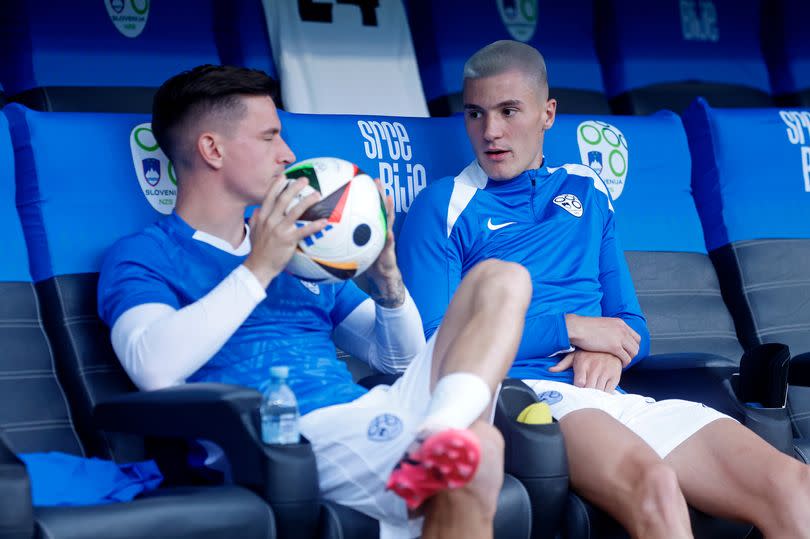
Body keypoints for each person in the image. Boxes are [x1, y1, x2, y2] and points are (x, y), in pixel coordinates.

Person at [97, 64, 532, 539]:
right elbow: (152, 367)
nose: (287, 154)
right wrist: (258, 266)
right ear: (212, 149)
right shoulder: (146, 253)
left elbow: (400, 361)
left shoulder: (308, 250)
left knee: (502, 278)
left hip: (368, 408)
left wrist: (387, 282)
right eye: (269, 137)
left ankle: (440, 433)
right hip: (287, 438)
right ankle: (443, 443)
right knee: (482, 449)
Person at [397, 40, 810, 539]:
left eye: (509, 111)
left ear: (548, 113)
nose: (491, 132)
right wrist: (568, 329)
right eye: (475, 114)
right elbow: (430, 347)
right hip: (528, 395)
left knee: (792, 484)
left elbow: (631, 326)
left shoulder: (587, 189)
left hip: (613, 392)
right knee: (656, 486)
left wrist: (613, 355)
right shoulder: (442, 204)